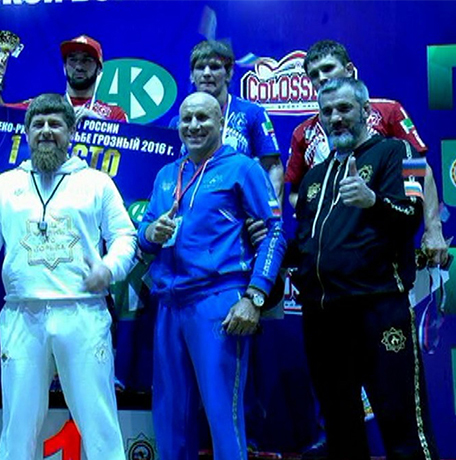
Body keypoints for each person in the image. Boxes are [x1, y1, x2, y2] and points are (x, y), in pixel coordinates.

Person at [0, 93, 136, 460]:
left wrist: (109, 268)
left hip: (83, 312)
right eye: (38, 124)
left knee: (100, 425)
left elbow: (125, 236)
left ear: (71, 132)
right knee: (17, 429)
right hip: (22, 313)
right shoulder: (4, 184)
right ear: (26, 133)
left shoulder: (96, 183)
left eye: (55, 124)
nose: (46, 131)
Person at [293, 77, 439, 460]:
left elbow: (411, 216)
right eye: (327, 112)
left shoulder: (401, 151)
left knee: (403, 424)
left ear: (366, 111)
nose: (335, 118)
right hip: (323, 317)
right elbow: (305, 243)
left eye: (344, 108)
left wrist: (372, 200)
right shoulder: (313, 177)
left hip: (379, 308)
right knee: (340, 429)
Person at [139, 91, 286, 460]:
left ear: (221, 122)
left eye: (203, 118)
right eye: (187, 119)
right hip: (169, 303)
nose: (194, 126)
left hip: (218, 302)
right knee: (170, 418)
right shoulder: (166, 175)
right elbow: (144, 233)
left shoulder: (243, 168)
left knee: (223, 416)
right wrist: (150, 233)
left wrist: (254, 297)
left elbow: (273, 233)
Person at [286, 39, 447, 266]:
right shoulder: (303, 132)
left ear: (349, 69)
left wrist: (433, 228)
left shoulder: (387, 112)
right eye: (314, 74)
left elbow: (419, 170)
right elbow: (296, 192)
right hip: (331, 245)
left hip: (381, 240)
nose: (321, 77)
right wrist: (313, 207)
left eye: (328, 68)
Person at [171, 39, 283, 201]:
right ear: (191, 76)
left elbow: (273, 166)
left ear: (229, 74)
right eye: (200, 67)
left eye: (214, 67)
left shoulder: (252, 113)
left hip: (239, 208)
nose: (207, 73)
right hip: (192, 208)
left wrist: (272, 212)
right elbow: (172, 173)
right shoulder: (180, 122)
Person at [0, 34, 128, 122]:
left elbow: (128, 153)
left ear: (99, 68)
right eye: (73, 60)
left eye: (86, 60)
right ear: (64, 67)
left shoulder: (114, 114)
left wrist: (100, 124)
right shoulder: (41, 106)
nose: (78, 66)